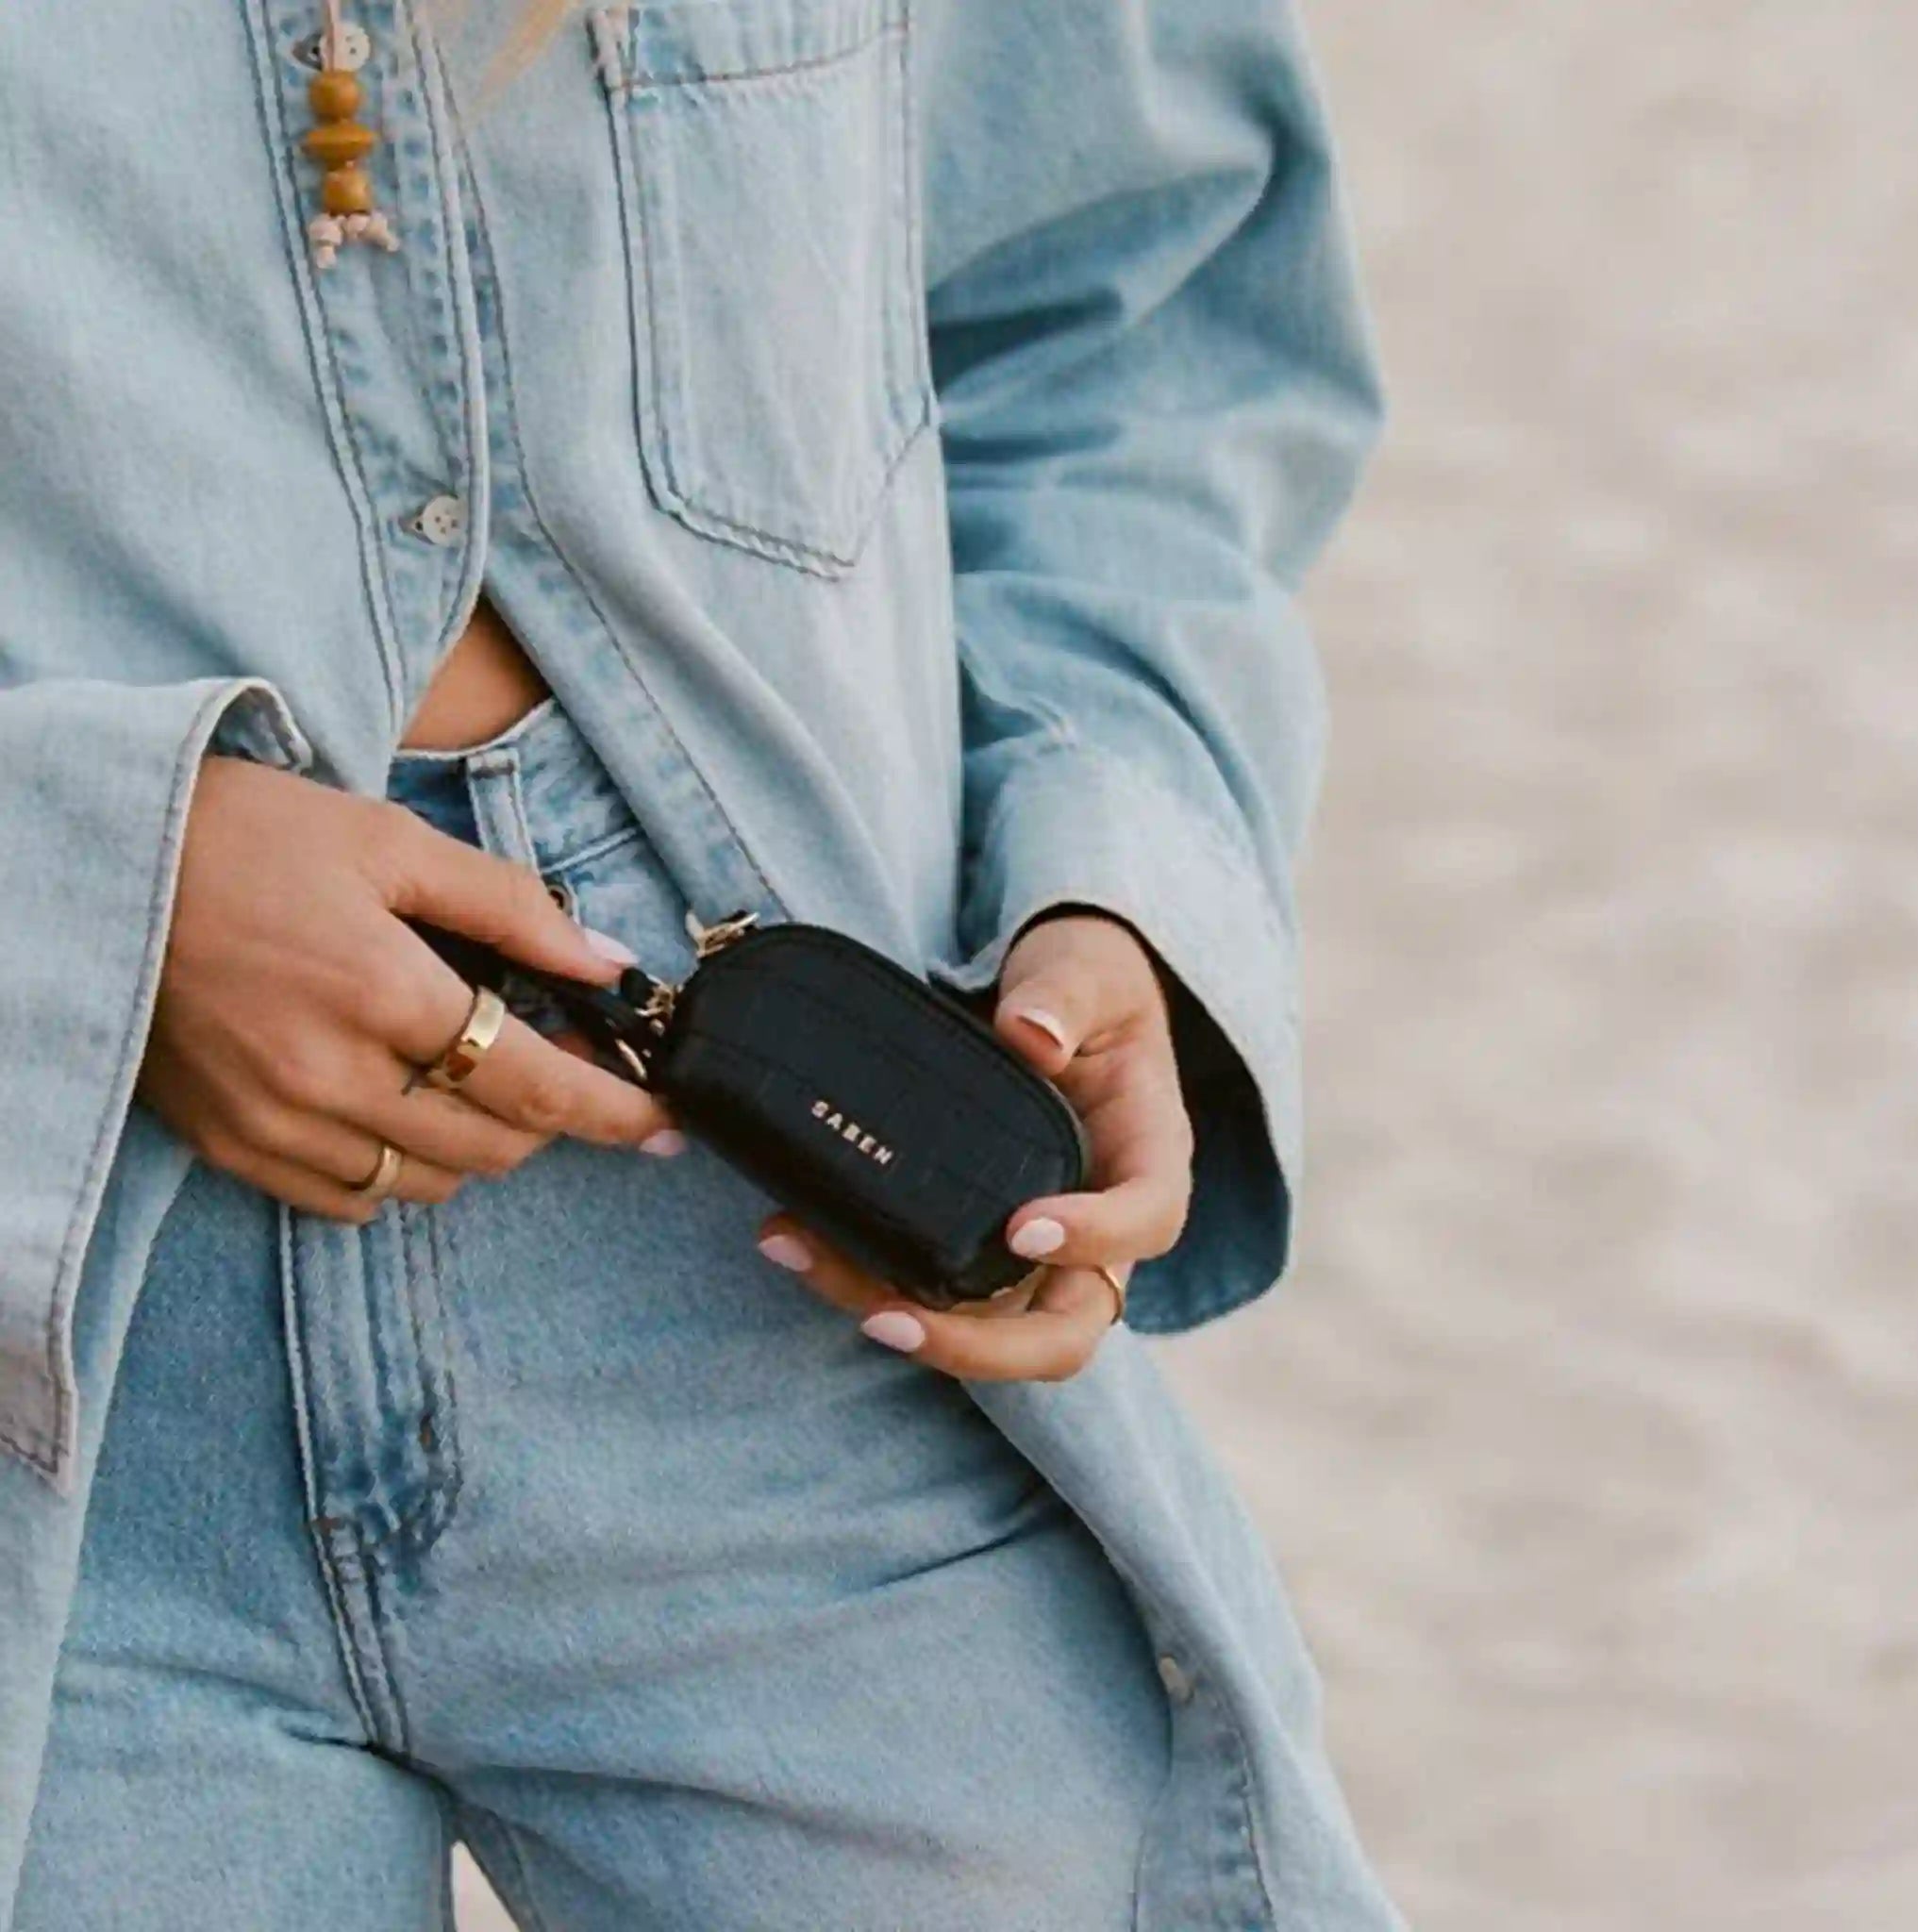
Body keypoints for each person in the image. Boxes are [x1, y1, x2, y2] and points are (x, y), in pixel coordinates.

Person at [0, 0, 1400, 1924]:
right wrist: (81, 878)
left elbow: (1126, 313)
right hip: (58, 1346)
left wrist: (1101, 879)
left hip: (778, 1277)